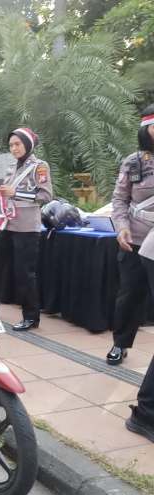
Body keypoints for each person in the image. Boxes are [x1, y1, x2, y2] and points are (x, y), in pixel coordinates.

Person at [0, 127, 53, 331]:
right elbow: (10, 193)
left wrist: (16, 193)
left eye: (18, 144)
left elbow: (46, 196)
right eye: (11, 145)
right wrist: (3, 192)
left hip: (27, 227)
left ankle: (31, 316)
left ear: (28, 145)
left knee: (24, 272)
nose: (14, 148)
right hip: (7, 223)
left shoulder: (39, 166)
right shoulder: (11, 167)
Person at [108, 105, 154, 365]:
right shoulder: (134, 161)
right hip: (136, 239)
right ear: (146, 129)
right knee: (130, 295)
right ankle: (120, 343)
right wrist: (122, 227)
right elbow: (120, 199)